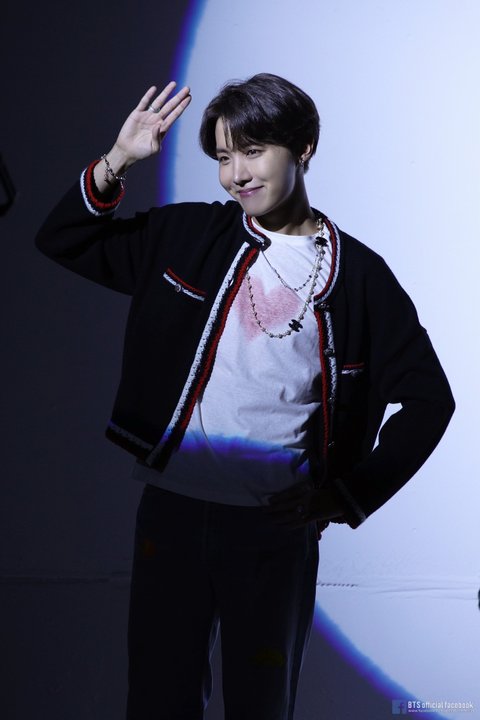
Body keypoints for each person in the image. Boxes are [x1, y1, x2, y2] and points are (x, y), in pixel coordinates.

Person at [35, 75, 454, 720]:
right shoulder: (187, 235)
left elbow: (429, 400)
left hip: (275, 529)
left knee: (261, 706)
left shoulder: (360, 276)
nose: (236, 174)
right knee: (158, 701)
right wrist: (118, 159)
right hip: (172, 513)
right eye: (224, 157)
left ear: (304, 147)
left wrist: (347, 495)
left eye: (253, 151)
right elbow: (64, 238)